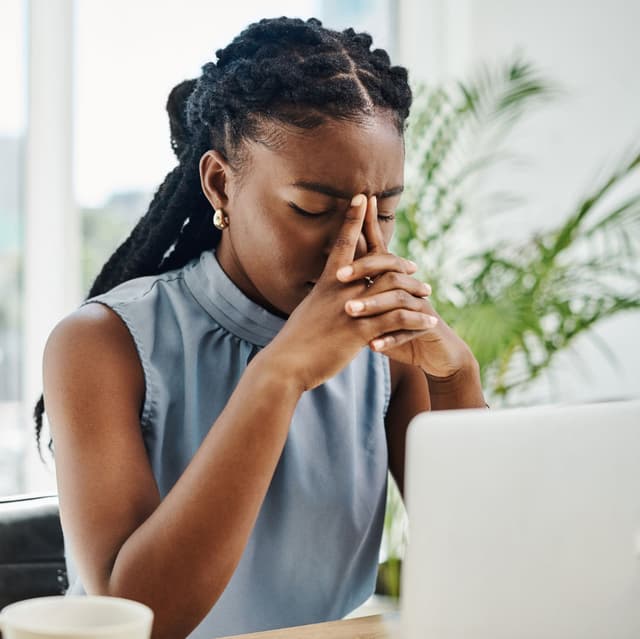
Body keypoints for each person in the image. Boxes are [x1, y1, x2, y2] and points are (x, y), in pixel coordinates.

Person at [36, 16, 485, 639]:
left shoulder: (387, 351)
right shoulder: (103, 344)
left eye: (386, 211)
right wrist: (280, 373)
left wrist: (457, 377)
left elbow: (487, 563)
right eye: (313, 209)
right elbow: (141, 619)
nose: (357, 249)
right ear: (221, 184)